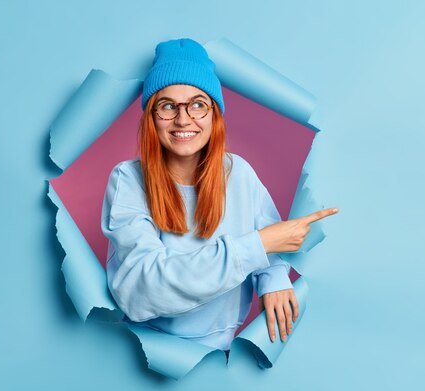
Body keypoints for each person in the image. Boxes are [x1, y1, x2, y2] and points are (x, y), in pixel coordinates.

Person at [101, 38, 338, 359]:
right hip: (149, 350)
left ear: (214, 114)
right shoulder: (128, 180)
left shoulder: (238, 172)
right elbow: (145, 291)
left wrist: (274, 279)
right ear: (151, 117)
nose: (183, 119)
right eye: (168, 105)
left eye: (198, 104)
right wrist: (259, 244)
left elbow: (268, 249)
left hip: (221, 355)